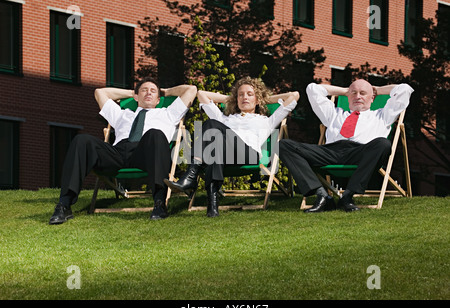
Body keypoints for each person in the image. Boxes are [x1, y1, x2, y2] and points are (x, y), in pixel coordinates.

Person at [49, 77, 197, 224]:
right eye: (144, 90)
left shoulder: (168, 113)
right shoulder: (122, 114)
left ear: (158, 99)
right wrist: (131, 92)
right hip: (117, 154)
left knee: (155, 133)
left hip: (146, 154)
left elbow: (191, 90)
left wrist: (165, 92)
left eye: (153, 91)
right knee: (82, 140)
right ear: (136, 96)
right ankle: (64, 205)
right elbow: (100, 92)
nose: (148, 93)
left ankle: (159, 203)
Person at [164, 77, 299, 217]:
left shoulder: (267, 121)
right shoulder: (225, 119)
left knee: (212, 126)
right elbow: (201, 94)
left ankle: (191, 174)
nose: (244, 97)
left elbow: (294, 95)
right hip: (225, 155)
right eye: (240, 95)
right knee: (214, 145)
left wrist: (263, 98)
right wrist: (232, 98)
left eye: (249, 94)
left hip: (249, 155)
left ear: (257, 100)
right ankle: (212, 206)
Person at [279, 79, 414, 213]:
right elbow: (312, 89)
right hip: (330, 152)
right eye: (353, 93)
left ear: (372, 98)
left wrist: (377, 90)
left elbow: (405, 90)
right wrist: (345, 91)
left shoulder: (382, 115)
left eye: (363, 93)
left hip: (361, 153)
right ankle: (322, 195)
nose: (357, 97)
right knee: (284, 145)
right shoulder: (333, 114)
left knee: (383, 144)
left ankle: (348, 195)